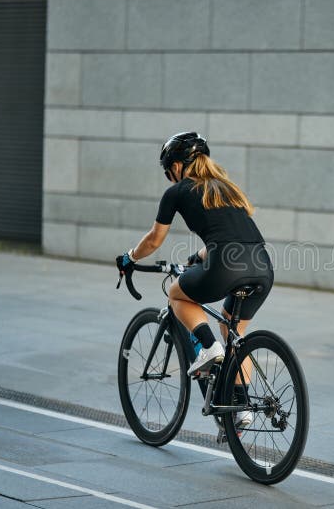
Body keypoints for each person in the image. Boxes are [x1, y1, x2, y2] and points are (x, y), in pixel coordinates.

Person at [116, 132, 273, 427]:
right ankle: (240, 409)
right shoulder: (225, 189)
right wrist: (199, 256)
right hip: (262, 264)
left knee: (176, 294)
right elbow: (228, 231)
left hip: (225, 264)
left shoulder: (178, 192)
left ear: (176, 166)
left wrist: (130, 257)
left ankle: (208, 347)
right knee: (234, 333)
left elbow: (153, 240)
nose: (169, 178)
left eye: (168, 172)